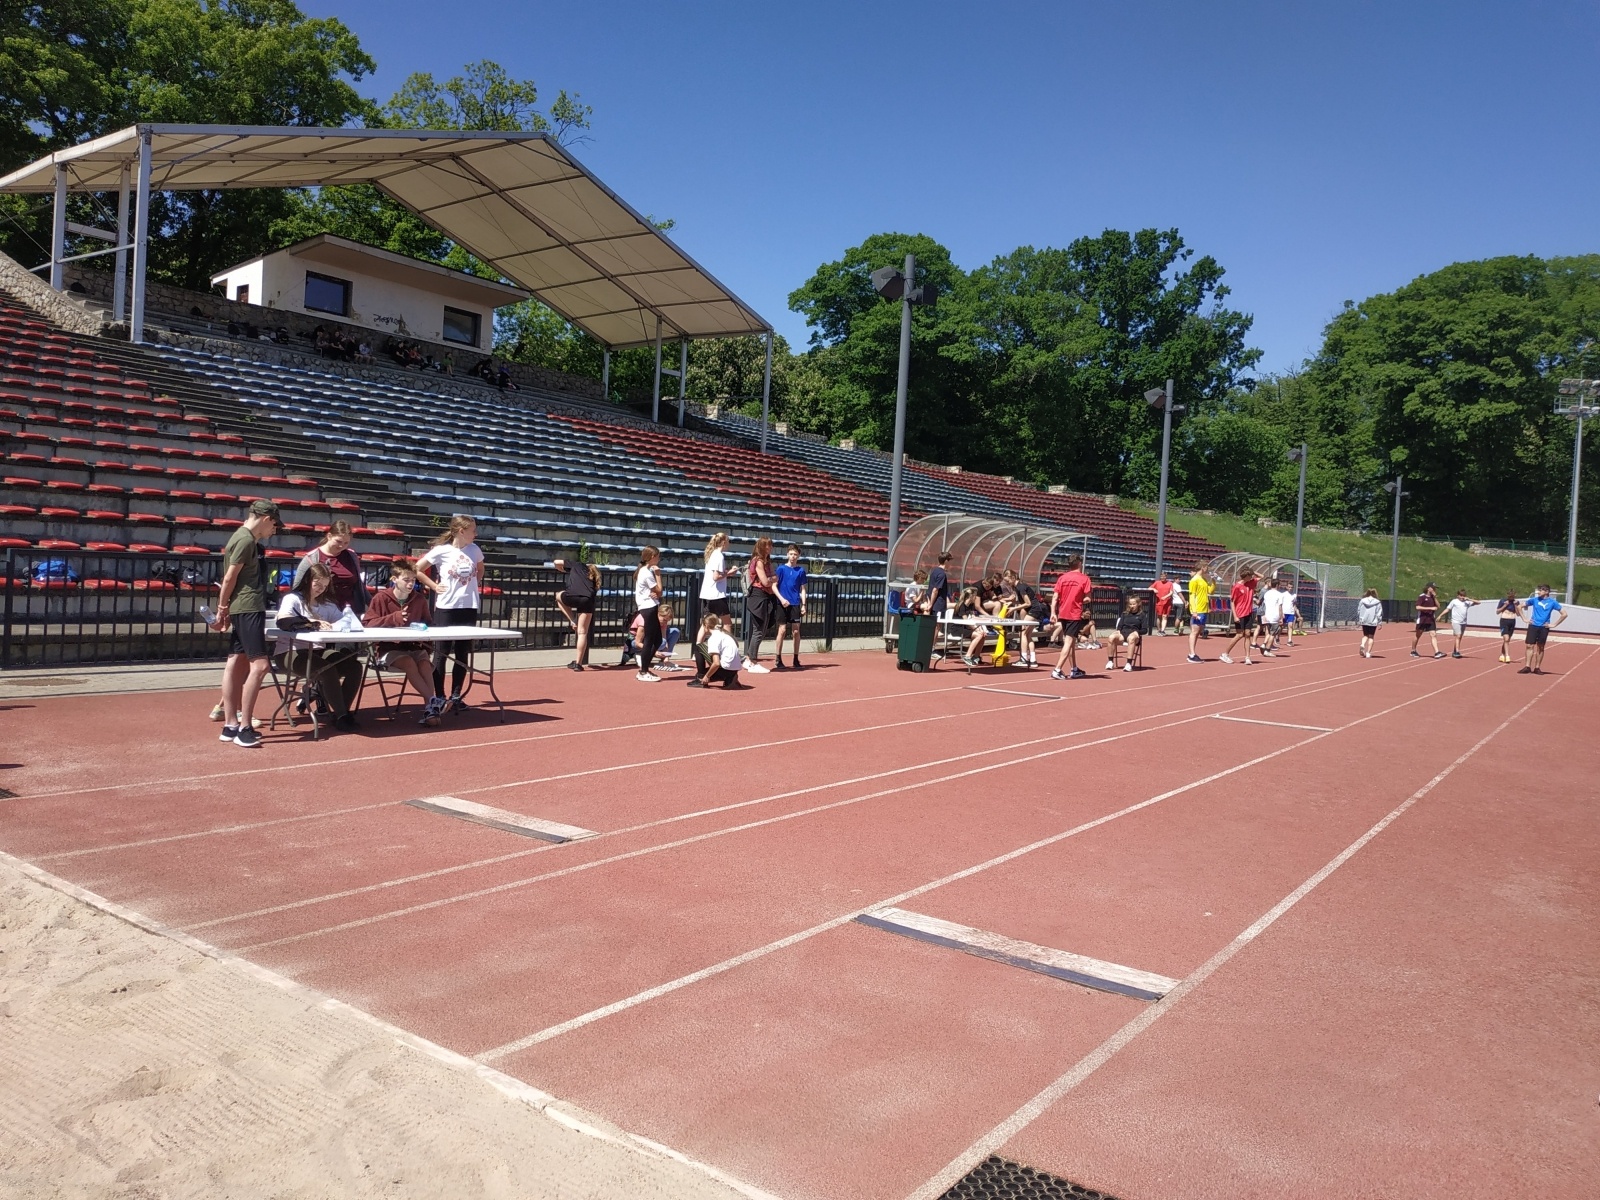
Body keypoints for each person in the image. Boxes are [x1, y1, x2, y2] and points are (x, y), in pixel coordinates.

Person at [211, 499, 280, 747]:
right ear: (265, 518)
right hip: (248, 606)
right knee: (260, 666)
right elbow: (229, 577)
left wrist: (226, 607)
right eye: (274, 524)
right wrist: (221, 608)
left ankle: (230, 725)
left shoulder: (243, 539)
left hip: (243, 606)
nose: (274, 530)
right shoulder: (246, 540)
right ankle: (244, 726)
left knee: (235, 662)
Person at [273, 561, 362, 731]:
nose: (320, 589)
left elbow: (344, 621)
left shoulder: (326, 604)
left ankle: (340, 710)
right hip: (290, 651)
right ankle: (342, 715)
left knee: (354, 666)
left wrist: (345, 623)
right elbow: (283, 621)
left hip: (317, 650)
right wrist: (310, 622)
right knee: (326, 669)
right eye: (317, 584)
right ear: (307, 580)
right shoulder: (293, 599)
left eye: (325, 586)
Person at [362, 558, 442, 726]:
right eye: (406, 580)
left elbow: (428, 623)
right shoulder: (381, 598)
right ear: (394, 579)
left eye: (413, 580)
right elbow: (368, 623)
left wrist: (423, 628)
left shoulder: (419, 599)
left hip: (413, 645)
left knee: (425, 665)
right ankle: (433, 701)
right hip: (388, 648)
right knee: (409, 662)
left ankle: (430, 708)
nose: (410, 584)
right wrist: (393, 618)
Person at [417, 515, 484, 713]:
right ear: (461, 531)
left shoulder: (475, 550)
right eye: (473, 530)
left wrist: (474, 584)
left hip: (468, 606)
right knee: (441, 653)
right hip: (447, 607)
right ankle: (439, 695)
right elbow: (417, 569)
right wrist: (434, 586)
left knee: (463, 653)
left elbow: (480, 569)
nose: (476, 534)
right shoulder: (442, 551)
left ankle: (456, 695)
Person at [293, 519, 368, 616]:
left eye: (346, 543)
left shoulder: (351, 556)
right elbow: (297, 588)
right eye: (338, 541)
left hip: (350, 611)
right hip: (322, 611)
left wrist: (372, 603)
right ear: (329, 536)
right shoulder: (312, 558)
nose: (342, 546)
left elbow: (359, 585)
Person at [552, 553, 600, 670]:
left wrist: (561, 570)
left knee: (558, 596)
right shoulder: (593, 577)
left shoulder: (577, 565)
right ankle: (578, 663)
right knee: (583, 632)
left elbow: (556, 562)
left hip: (572, 595)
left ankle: (573, 620)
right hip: (587, 599)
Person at [1050, 554, 1092, 681]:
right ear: (1079, 563)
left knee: (1072, 642)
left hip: (1063, 613)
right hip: (1074, 613)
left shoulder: (1062, 578)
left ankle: (1074, 668)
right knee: (1068, 642)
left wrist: (1053, 612)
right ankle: (1057, 669)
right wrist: (1079, 600)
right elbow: (1088, 598)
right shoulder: (1084, 579)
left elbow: (1055, 597)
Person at [742, 536, 777, 674]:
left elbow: (774, 577)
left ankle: (749, 659)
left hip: (766, 596)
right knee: (758, 630)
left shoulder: (767, 562)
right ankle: (752, 660)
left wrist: (772, 579)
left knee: (761, 629)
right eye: (767, 546)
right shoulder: (758, 561)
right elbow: (765, 582)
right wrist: (772, 579)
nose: (769, 548)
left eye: (770, 545)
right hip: (758, 596)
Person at [1517, 584, 1566, 674]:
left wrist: (1554, 624)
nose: (1539, 592)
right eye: (1539, 590)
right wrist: (1524, 619)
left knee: (1540, 647)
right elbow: (1519, 606)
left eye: (1541, 590)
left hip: (1544, 627)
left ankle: (1537, 668)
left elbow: (1564, 614)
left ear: (1547, 592)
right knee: (1529, 645)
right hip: (1533, 625)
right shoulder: (1534, 600)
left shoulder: (1552, 602)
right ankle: (1527, 666)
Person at [632, 545, 664, 682]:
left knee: (657, 640)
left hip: (650, 606)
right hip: (648, 607)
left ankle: (645, 666)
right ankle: (643, 670)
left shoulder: (644, 571)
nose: (659, 559)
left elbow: (656, 593)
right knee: (649, 640)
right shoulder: (646, 572)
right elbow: (659, 590)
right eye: (657, 556)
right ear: (652, 557)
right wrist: (658, 575)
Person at [773, 545, 808, 670]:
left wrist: (803, 605)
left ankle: (795, 658)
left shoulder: (801, 571)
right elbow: (774, 586)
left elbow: (803, 589)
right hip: (782, 603)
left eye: (795, 554)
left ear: (798, 556)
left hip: (795, 603)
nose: (793, 556)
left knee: (796, 631)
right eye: (791, 554)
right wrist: (781, 599)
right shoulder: (781, 569)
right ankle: (778, 658)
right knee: (782, 631)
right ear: (787, 554)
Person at [623, 600, 683, 670]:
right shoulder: (644, 619)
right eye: (664, 620)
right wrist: (654, 652)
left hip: (650, 640)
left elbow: (664, 639)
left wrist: (666, 657)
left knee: (674, 632)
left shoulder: (662, 623)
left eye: (667, 621)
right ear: (658, 614)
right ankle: (639, 653)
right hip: (634, 643)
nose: (665, 622)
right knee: (661, 642)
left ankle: (663, 660)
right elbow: (637, 643)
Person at [689, 613, 744, 689]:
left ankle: (700, 677)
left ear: (706, 625)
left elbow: (716, 663)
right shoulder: (725, 634)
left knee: (698, 647)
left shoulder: (713, 638)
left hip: (724, 669)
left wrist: (706, 676)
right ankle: (730, 679)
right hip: (734, 670)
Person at [1219, 569, 1258, 665]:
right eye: (1250, 576)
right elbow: (1232, 601)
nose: (1252, 578)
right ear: (1246, 577)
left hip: (1248, 612)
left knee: (1248, 634)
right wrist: (1235, 616)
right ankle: (1225, 653)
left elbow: (1262, 576)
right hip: (1240, 613)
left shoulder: (1251, 583)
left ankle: (1248, 657)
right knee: (1240, 635)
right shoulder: (1237, 586)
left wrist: (1253, 571)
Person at [699, 532, 736, 633]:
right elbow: (716, 577)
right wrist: (729, 573)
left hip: (708, 593)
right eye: (728, 542)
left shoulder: (711, 554)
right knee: (727, 623)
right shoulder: (719, 555)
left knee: (706, 623)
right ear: (724, 542)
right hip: (716, 595)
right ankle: (727, 646)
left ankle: (698, 644)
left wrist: (727, 572)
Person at [1105, 595, 1150, 672]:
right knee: (1111, 637)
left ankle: (1128, 664)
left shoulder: (1142, 615)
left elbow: (1145, 630)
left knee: (1131, 638)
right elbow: (1119, 626)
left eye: (1134, 604)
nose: (1132, 606)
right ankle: (1110, 661)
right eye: (1130, 604)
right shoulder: (1124, 614)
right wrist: (1118, 631)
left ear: (1138, 604)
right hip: (1123, 634)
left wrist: (1137, 632)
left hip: (1134, 635)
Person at [1013, 572, 1048, 667]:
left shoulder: (1020, 587)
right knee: (1028, 635)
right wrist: (1010, 602)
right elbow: (1024, 601)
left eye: (1007, 580)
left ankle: (1023, 659)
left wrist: (1014, 608)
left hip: (1034, 610)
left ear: (1012, 577)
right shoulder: (1019, 587)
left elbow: (1028, 603)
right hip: (1036, 610)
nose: (1006, 582)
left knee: (1023, 633)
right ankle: (1033, 660)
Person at [1185, 562, 1213, 664]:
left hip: (1204, 609)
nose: (1207, 569)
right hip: (1198, 609)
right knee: (1195, 631)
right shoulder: (1195, 580)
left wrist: (1213, 581)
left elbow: (1210, 591)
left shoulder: (1203, 579)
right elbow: (1192, 596)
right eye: (1206, 567)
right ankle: (1191, 654)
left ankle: (1192, 653)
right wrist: (1194, 611)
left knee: (1199, 630)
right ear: (1202, 567)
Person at [1410, 582, 1443, 659]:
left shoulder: (1433, 597)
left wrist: (1435, 597)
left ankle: (1437, 652)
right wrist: (1430, 608)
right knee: (1418, 635)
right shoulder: (1422, 596)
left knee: (1433, 634)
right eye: (1433, 588)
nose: (1434, 589)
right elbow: (1417, 607)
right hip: (1422, 619)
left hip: (1431, 619)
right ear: (1429, 588)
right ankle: (1413, 650)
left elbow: (1438, 606)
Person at [1444, 588, 1478, 658]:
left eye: (1463, 595)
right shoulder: (1454, 601)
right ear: (1458, 595)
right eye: (1461, 595)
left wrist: (1469, 599)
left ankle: (1455, 650)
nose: (1462, 597)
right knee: (1458, 636)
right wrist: (1441, 615)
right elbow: (1448, 609)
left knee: (1459, 637)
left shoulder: (1467, 602)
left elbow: (1478, 602)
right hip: (1456, 621)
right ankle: (1457, 651)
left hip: (1463, 622)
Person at [1259, 577, 1287, 656]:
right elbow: (1280, 607)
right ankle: (1267, 650)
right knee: (1273, 634)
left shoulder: (1267, 593)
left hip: (1267, 614)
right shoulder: (1279, 594)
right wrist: (1281, 617)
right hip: (1275, 616)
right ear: (1277, 585)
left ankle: (1264, 644)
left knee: (1268, 631)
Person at [1356, 588, 1385, 658]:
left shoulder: (1362, 601)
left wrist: (1360, 619)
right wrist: (1380, 622)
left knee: (1365, 635)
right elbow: (1379, 613)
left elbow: (1359, 610)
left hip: (1364, 620)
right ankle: (1368, 652)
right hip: (1373, 621)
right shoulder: (1377, 602)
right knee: (1371, 636)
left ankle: (1362, 644)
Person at [1495, 589, 1520, 663]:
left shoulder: (1516, 602)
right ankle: (1507, 655)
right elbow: (1497, 611)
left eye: (1513, 596)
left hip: (1512, 621)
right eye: (1510, 596)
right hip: (1504, 621)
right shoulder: (1503, 601)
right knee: (1506, 638)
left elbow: (1518, 614)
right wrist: (1505, 605)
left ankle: (1502, 654)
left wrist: (1515, 606)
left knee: (1508, 639)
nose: (1511, 597)